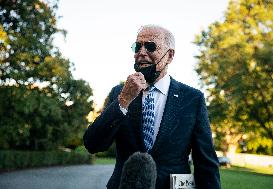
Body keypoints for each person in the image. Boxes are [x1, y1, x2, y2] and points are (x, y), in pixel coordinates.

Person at [83, 25, 220, 189]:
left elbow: (206, 163)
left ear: (169, 56)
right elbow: (93, 144)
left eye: (150, 46)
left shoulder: (192, 99)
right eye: (137, 46)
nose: (141, 52)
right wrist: (123, 101)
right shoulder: (119, 93)